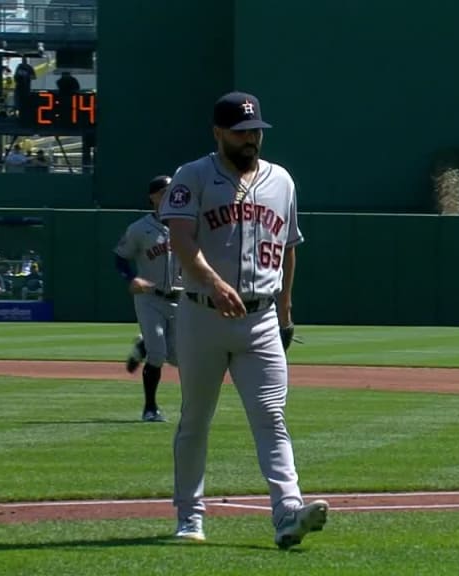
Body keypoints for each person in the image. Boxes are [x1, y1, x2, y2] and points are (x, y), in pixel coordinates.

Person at [158, 91, 327, 548]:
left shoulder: (282, 181)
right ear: (218, 132)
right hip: (201, 313)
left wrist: (286, 311)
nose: (251, 138)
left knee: (272, 416)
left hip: (262, 318)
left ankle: (288, 512)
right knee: (196, 418)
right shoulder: (192, 176)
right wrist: (213, 282)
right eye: (240, 131)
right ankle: (190, 518)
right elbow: (180, 239)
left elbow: (289, 249)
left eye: (255, 131)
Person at [113, 175, 182, 423]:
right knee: (157, 354)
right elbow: (120, 257)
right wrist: (130, 278)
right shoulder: (139, 229)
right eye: (164, 191)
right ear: (152, 196)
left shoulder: (188, 225)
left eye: (172, 191)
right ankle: (150, 408)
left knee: (179, 357)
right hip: (150, 297)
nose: (169, 195)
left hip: (181, 300)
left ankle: (142, 344)